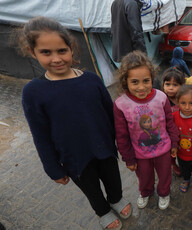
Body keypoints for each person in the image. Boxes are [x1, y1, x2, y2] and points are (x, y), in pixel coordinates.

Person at [20, 17, 131, 230]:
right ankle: (103, 210)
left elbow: (111, 115)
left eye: (62, 50)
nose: (56, 59)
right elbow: (40, 134)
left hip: (105, 148)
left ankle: (116, 199)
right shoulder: (33, 92)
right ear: (32, 52)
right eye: (46, 52)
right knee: (91, 188)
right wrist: (53, 168)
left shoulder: (92, 80)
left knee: (113, 179)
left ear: (71, 48)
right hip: (74, 158)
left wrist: (124, 143)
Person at [114, 50, 179, 211]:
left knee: (165, 175)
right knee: (144, 177)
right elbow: (121, 135)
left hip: (163, 149)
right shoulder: (121, 104)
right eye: (135, 82)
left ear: (152, 79)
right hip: (139, 154)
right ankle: (146, 192)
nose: (141, 87)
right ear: (125, 82)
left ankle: (164, 193)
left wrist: (174, 143)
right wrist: (128, 158)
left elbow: (170, 122)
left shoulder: (161, 97)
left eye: (146, 81)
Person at [161, 67, 186, 176]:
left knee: (183, 149)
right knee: (170, 151)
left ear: (181, 86)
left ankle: (184, 164)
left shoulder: (184, 99)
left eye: (175, 85)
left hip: (183, 131)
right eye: (168, 84)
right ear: (163, 85)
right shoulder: (162, 100)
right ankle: (172, 164)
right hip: (167, 133)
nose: (170, 88)